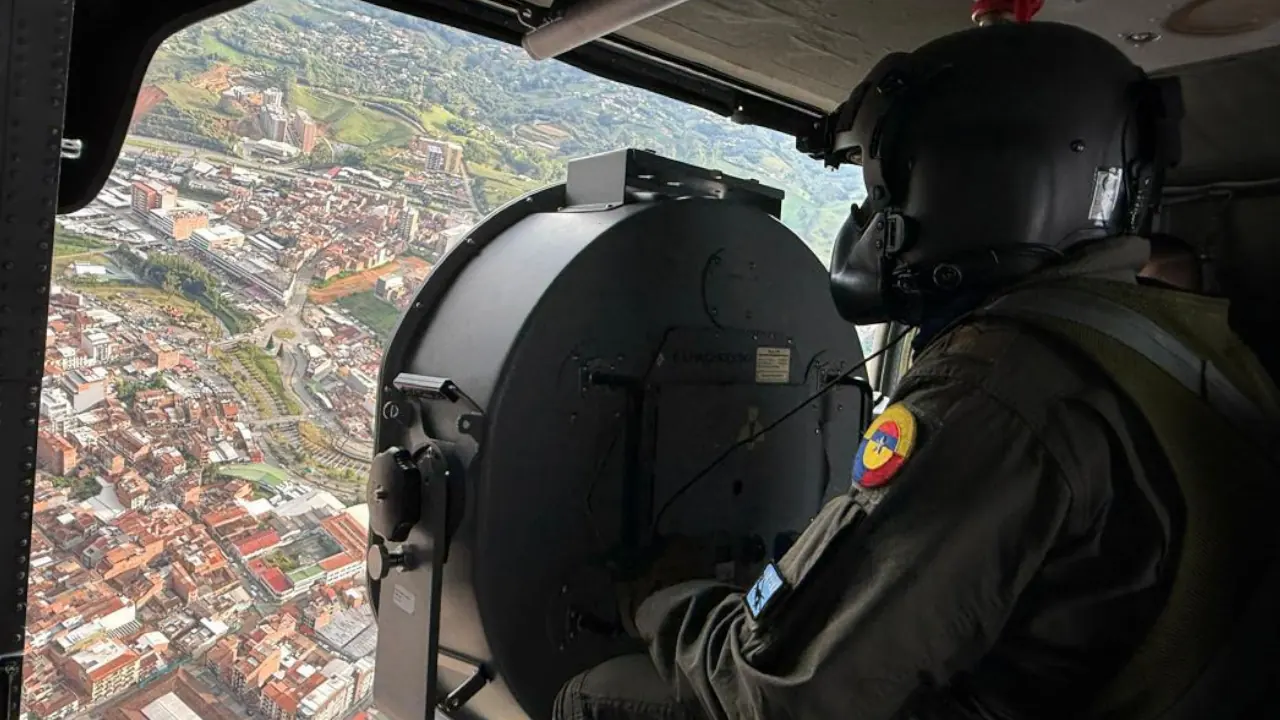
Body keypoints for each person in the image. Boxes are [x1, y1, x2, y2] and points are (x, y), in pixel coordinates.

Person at [553, 20, 1280, 720]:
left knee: (596, 694)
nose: (873, 219)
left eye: (886, 189)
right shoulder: (1185, 342)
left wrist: (664, 600)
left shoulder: (999, 382)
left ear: (974, 183)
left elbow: (787, 694)